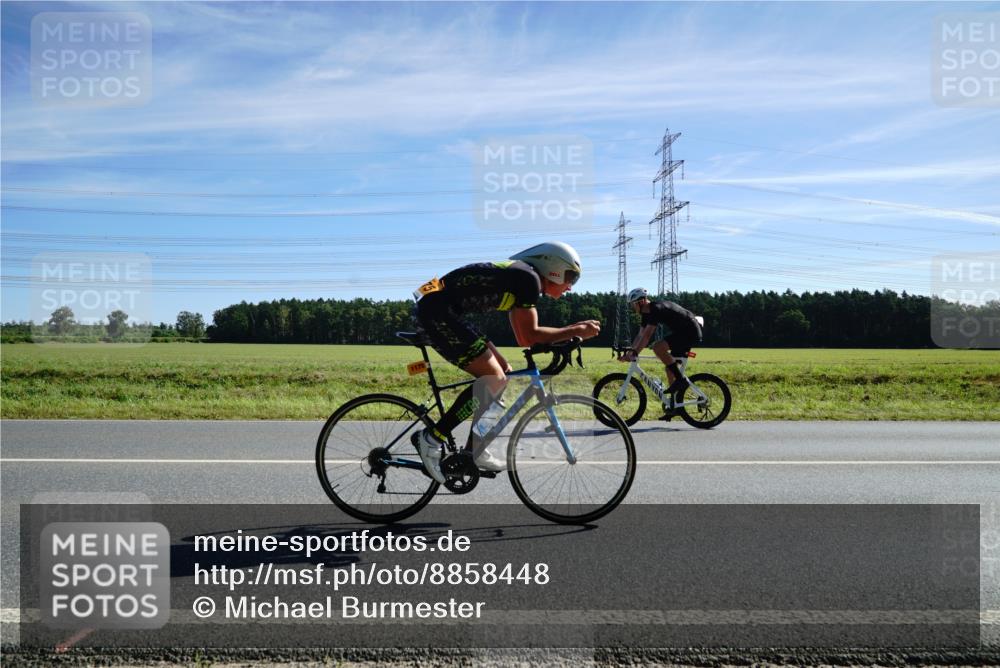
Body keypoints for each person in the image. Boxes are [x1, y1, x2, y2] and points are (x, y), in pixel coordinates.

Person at [413, 242, 600, 483]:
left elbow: (523, 338)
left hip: (443, 310)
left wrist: (572, 331)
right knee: (493, 379)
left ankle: (476, 450)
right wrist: (576, 330)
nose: (570, 287)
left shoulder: (524, 278)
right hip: (436, 312)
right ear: (553, 267)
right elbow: (529, 336)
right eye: (570, 277)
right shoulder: (528, 280)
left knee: (503, 374)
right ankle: (431, 438)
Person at [619, 287, 703, 417]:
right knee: (670, 369)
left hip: (690, 332)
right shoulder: (646, 314)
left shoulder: (656, 309)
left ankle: (681, 380)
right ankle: (674, 405)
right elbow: (640, 335)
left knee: (658, 347)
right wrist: (630, 351)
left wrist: (635, 353)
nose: (632, 308)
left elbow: (647, 336)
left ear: (640, 302)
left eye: (632, 305)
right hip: (682, 333)